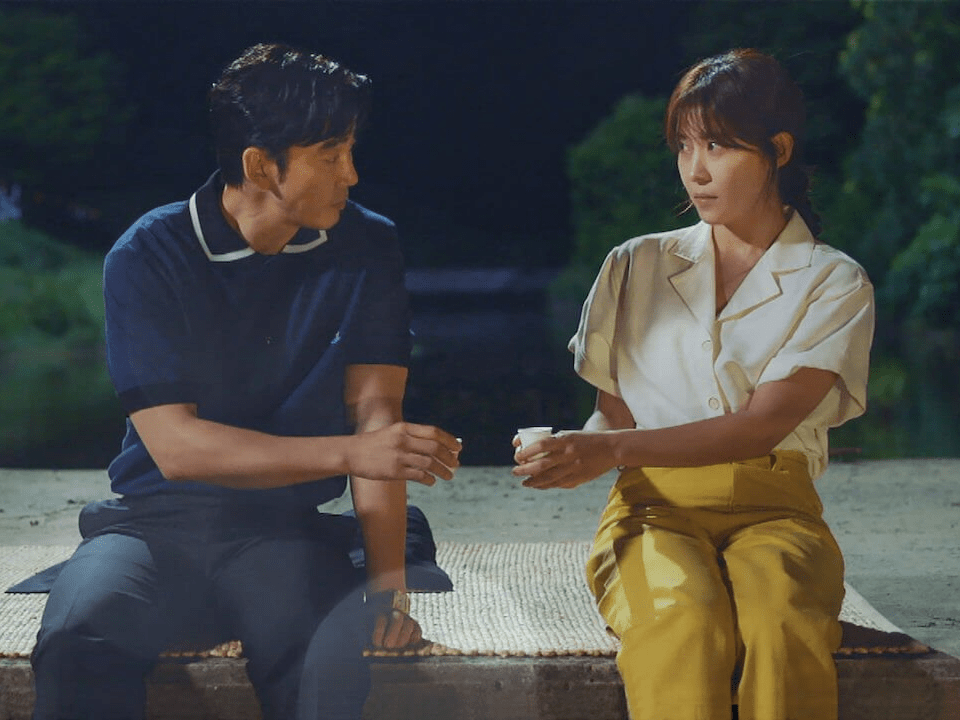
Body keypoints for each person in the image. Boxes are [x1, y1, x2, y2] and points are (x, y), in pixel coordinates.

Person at [31, 42, 461, 720]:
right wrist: (353, 452)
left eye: (351, 150)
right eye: (330, 155)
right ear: (261, 165)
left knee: (319, 650)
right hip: (153, 527)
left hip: (282, 531)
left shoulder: (367, 244)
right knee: (76, 638)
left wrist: (387, 586)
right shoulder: (150, 252)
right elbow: (178, 448)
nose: (352, 174)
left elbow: (376, 417)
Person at [514, 48, 874, 720]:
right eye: (683, 146)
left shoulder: (833, 282)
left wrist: (608, 450)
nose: (695, 169)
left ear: (778, 150)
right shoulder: (634, 264)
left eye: (718, 145)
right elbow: (613, 417)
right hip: (652, 509)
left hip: (778, 511)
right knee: (682, 618)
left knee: (781, 622)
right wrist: (570, 451)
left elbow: (761, 427)